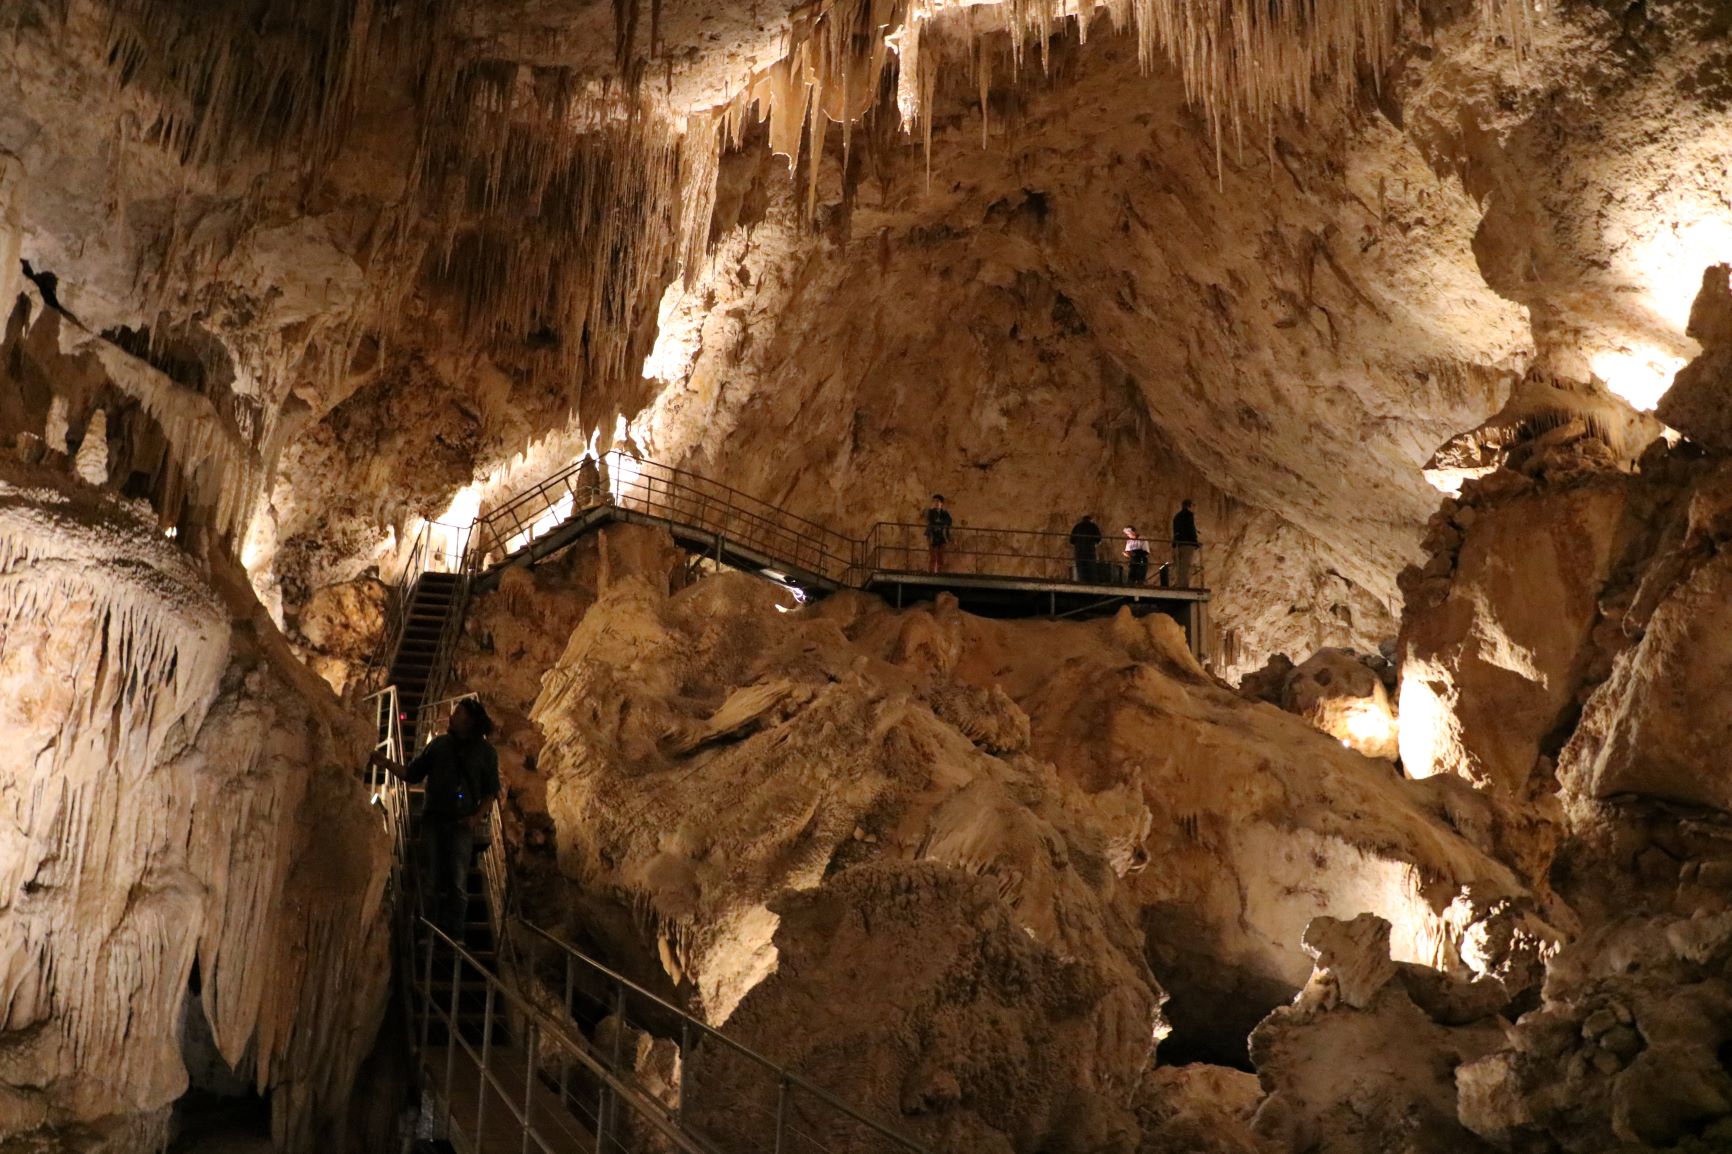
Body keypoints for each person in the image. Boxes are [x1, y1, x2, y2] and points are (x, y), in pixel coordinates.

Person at [371, 698, 501, 937]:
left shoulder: (485, 753)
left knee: (458, 882)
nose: (451, 717)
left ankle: (455, 935)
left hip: (462, 823)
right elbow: (412, 773)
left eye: (457, 713)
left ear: (469, 721)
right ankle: (426, 932)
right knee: (430, 879)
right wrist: (387, 763)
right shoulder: (439, 746)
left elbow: (491, 791)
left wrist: (475, 818)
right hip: (433, 819)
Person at [1172, 499, 1200, 588]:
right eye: (1193, 506)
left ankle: (1179, 583)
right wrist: (1195, 542)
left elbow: (1176, 531)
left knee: (1180, 565)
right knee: (1185, 565)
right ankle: (1183, 585)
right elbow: (1190, 529)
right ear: (1189, 506)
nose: (1194, 508)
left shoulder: (1177, 516)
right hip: (1187, 543)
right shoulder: (1188, 515)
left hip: (1179, 543)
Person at [1069, 514, 1103, 581]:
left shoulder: (1077, 527)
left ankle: (1082, 582)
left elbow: (1071, 540)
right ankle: (1092, 584)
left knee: (1081, 570)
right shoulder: (1093, 526)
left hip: (1079, 551)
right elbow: (1098, 538)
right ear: (1090, 520)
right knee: (1091, 569)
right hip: (1089, 551)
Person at [925, 495, 953, 573]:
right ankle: (931, 572)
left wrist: (939, 522)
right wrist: (941, 523)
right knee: (933, 555)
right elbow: (932, 521)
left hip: (941, 536)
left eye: (938, 501)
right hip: (933, 535)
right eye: (935, 501)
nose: (936, 503)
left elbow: (949, 521)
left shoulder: (945, 513)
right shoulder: (931, 512)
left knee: (940, 556)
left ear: (942, 503)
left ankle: (940, 572)